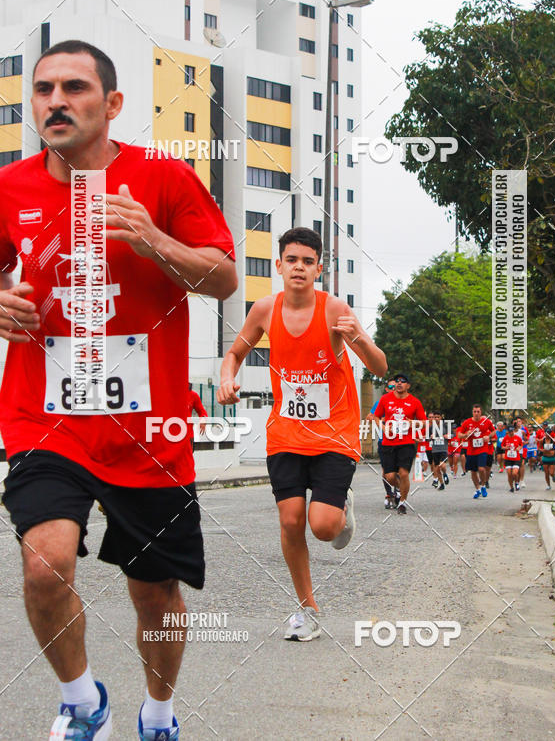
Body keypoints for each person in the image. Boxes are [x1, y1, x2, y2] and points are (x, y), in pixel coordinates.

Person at [0, 40, 237, 741]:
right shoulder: (10, 188)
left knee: (155, 592)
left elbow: (223, 278)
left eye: (74, 87)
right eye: (43, 89)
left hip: (148, 428)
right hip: (46, 418)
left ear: (112, 103)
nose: (55, 101)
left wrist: (154, 241)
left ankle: (157, 715)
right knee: (46, 565)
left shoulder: (162, 178)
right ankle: (82, 704)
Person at [217, 227, 386, 641]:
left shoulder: (334, 311)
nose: (299, 267)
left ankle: (339, 507)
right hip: (286, 433)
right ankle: (306, 609)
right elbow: (235, 351)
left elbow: (380, 368)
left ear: (319, 269)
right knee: (291, 521)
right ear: (278, 265)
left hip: (333, 434)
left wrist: (358, 339)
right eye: (291, 259)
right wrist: (226, 378)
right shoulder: (263, 310)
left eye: (307, 261)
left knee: (324, 527)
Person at [372, 373, 427, 514]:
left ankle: (402, 502)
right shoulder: (385, 399)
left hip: (406, 443)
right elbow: (375, 417)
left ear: (408, 385)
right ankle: (399, 489)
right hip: (388, 442)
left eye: (403, 381)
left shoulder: (415, 402)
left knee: (403, 473)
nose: (399, 383)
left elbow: (424, 422)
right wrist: (383, 427)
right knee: (389, 476)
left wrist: (412, 423)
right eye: (397, 381)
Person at [366, 379, 397, 508]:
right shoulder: (381, 402)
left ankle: (398, 493)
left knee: (399, 470)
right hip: (384, 440)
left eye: (396, 386)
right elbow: (369, 417)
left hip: (402, 440)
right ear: (386, 389)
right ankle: (389, 494)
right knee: (386, 471)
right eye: (391, 386)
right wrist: (382, 419)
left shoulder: (406, 402)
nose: (394, 388)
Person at [457, 405, 496, 499]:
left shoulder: (486, 422)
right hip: (471, 450)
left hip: (483, 449)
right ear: (472, 412)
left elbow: (494, 431)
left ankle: (483, 485)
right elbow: (459, 434)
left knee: (482, 469)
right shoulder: (467, 422)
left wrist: (489, 437)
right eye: (475, 411)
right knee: (473, 471)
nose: (476, 413)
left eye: (478, 411)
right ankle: (477, 489)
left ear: (481, 412)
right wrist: (466, 434)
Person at [429, 412, 449, 490]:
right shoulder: (431, 428)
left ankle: (445, 474)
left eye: (438, 417)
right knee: (437, 468)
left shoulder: (446, 426)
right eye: (435, 417)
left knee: (442, 465)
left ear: (441, 417)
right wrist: (430, 437)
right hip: (435, 450)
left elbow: (453, 434)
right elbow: (427, 438)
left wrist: (448, 436)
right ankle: (442, 484)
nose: (436, 419)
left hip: (443, 449)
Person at [501, 425, 522, 491]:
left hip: (516, 458)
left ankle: (516, 482)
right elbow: (502, 446)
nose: (511, 433)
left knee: (514, 473)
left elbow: (521, 445)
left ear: (513, 431)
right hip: (508, 458)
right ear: (508, 432)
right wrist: (505, 448)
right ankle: (511, 487)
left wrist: (519, 448)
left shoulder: (517, 438)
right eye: (510, 431)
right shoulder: (505, 438)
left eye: (512, 431)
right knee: (509, 474)